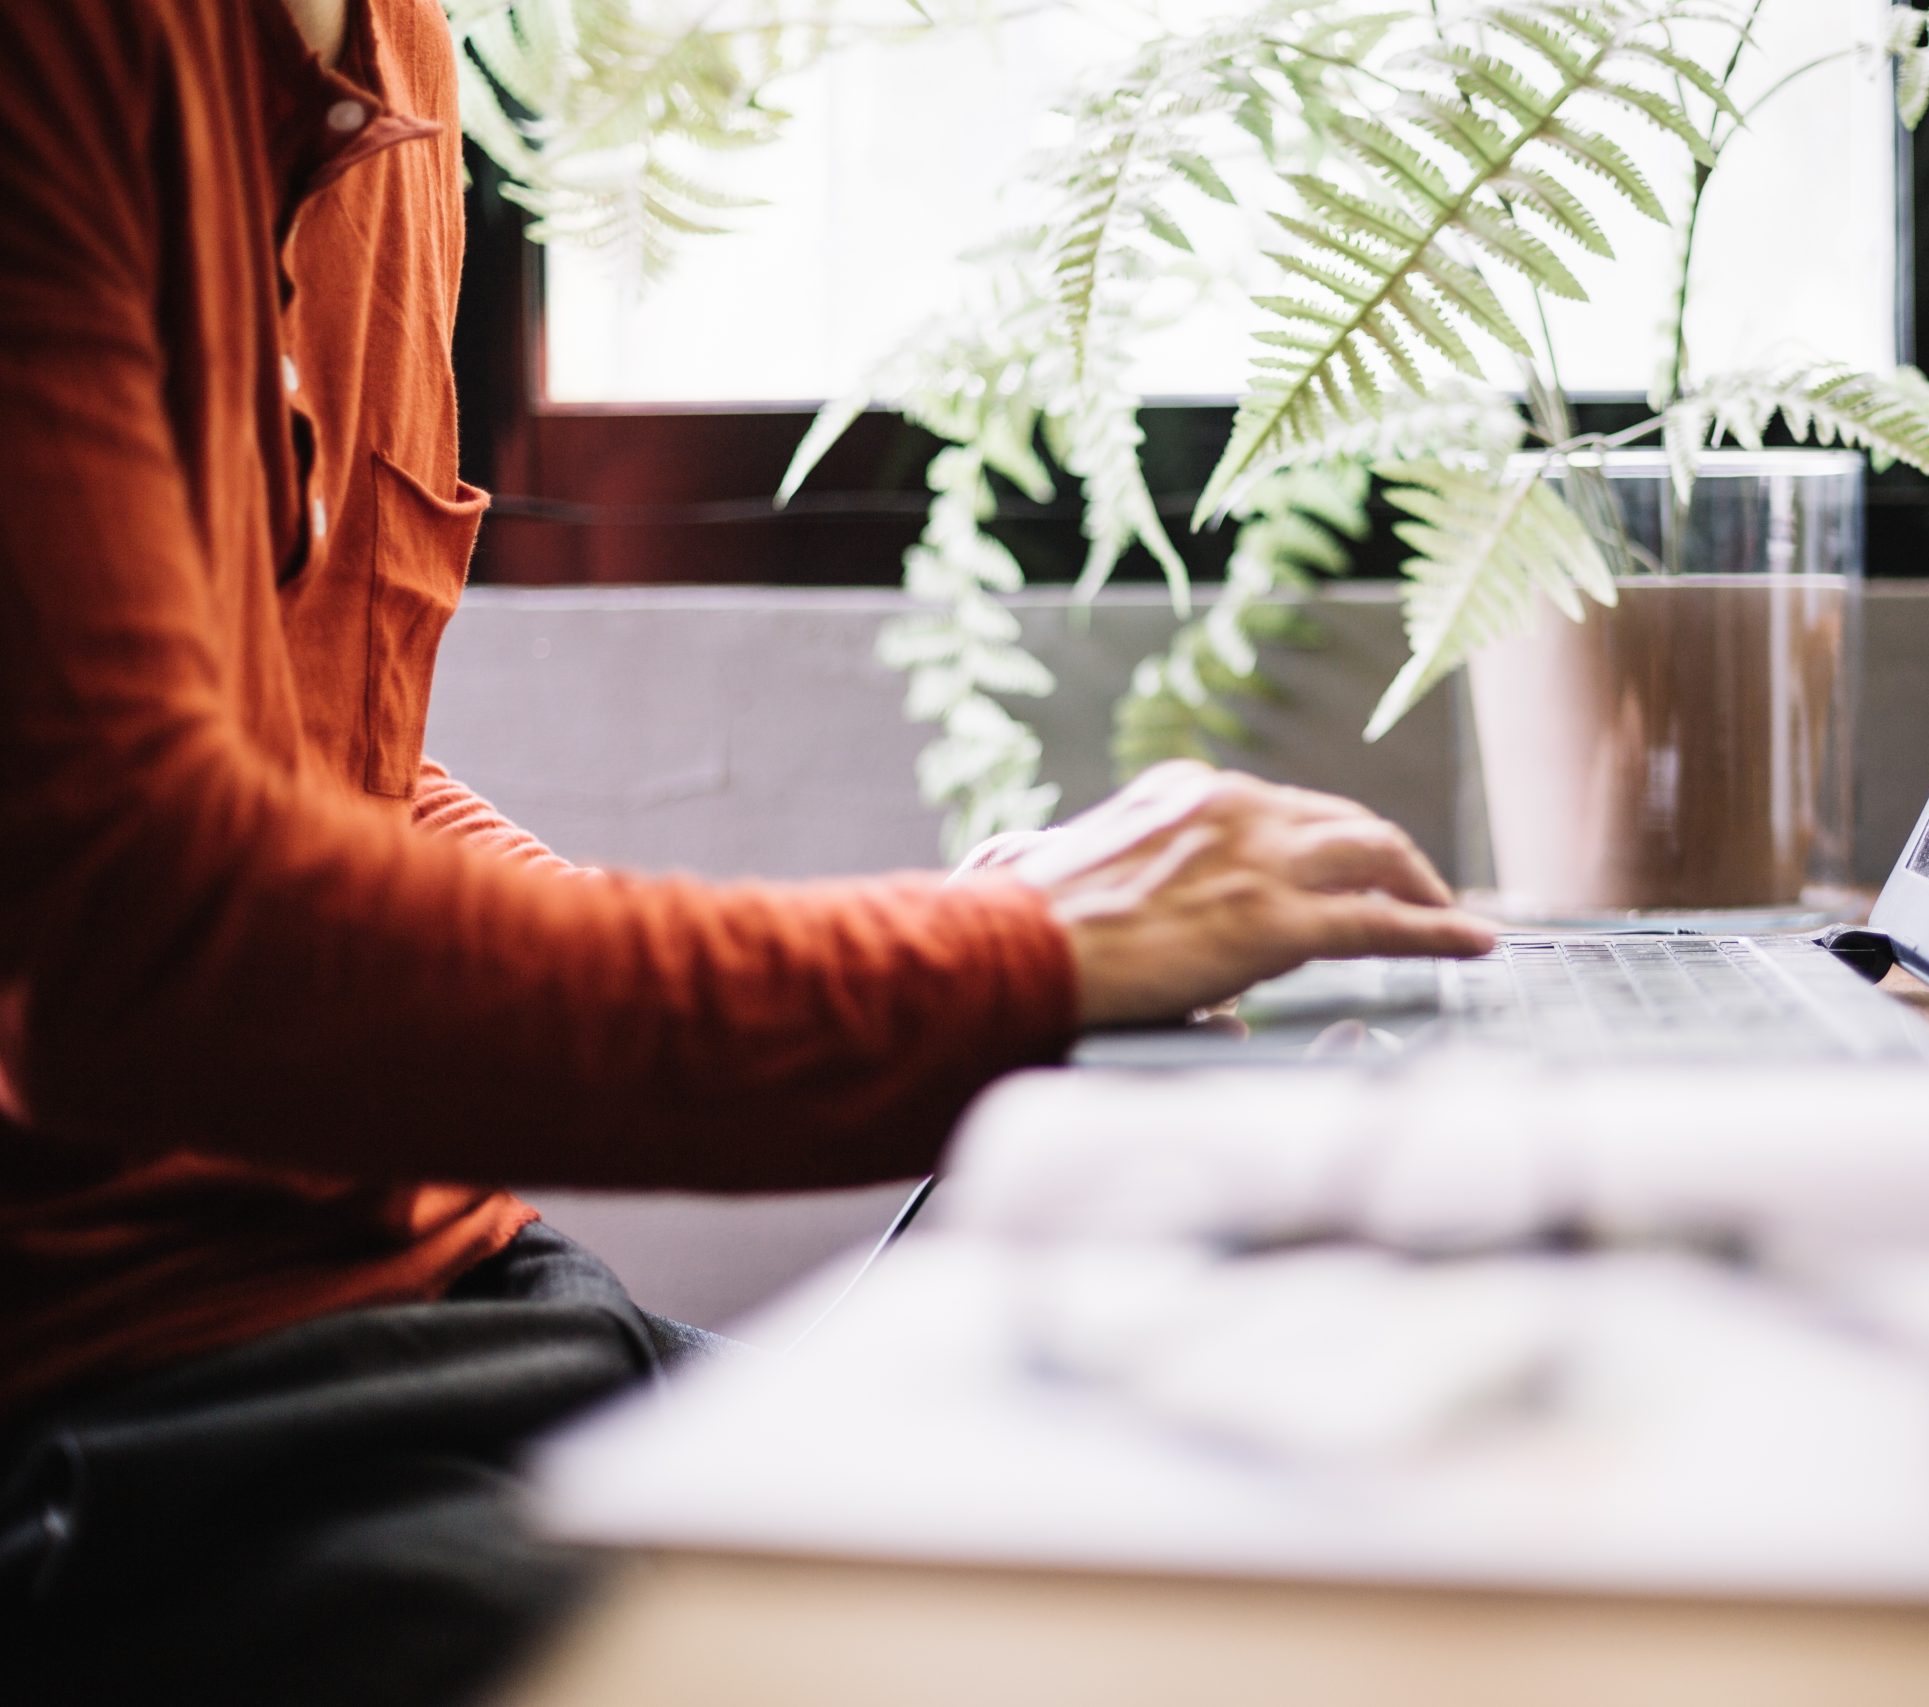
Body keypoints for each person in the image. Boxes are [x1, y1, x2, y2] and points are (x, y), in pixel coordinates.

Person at [0, 3, 1494, 1702]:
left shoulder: (392, 54)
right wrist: (1001, 970)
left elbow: (334, 771)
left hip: (473, 1318)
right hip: (135, 1425)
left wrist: (972, 947)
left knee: (1263, 1473)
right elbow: (142, 940)